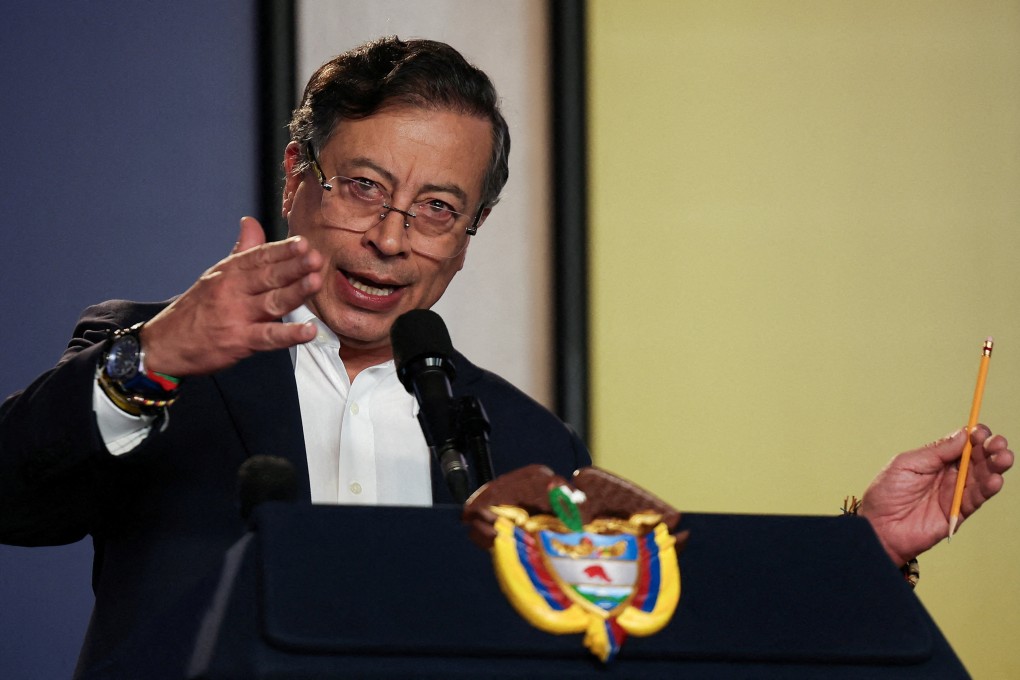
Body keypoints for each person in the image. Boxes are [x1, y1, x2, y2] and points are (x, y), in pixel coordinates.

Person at [0, 36, 1012, 677]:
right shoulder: (149, 348)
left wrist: (863, 550)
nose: (394, 236)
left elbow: (627, 617)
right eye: (363, 187)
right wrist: (159, 354)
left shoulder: (524, 435)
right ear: (296, 177)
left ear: (468, 230)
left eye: (439, 209)